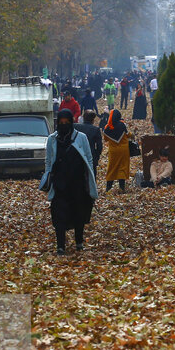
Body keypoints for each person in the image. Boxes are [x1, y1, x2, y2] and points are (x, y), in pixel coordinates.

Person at [41, 109, 98, 255]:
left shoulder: (81, 138)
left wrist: (90, 179)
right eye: (61, 123)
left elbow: (89, 159)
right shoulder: (52, 139)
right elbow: (48, 160)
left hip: (78, 184)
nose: (64, 125)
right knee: (59, 215)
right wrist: (48, 176)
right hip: (60, 184)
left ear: (72, 122)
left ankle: (79, 241)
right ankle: (60, 245)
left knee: (79, 213)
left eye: (67, 122)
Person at [102, 109, 131, 192]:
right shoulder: (122, 125)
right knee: (122, 167)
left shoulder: (107, 127)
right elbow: (128, 134)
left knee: (112, 168)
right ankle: (122, 188)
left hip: (113, 151)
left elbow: (105, 139)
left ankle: (108, 188)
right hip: (123, 150)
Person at [74, 110, 103, 180]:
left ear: (83, 118)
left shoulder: (76, 127)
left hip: (77, 155)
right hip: (91, 156)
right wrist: (96, 155)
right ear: (93, 120)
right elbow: (99, 147)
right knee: (91, 177)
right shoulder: (96, 130)